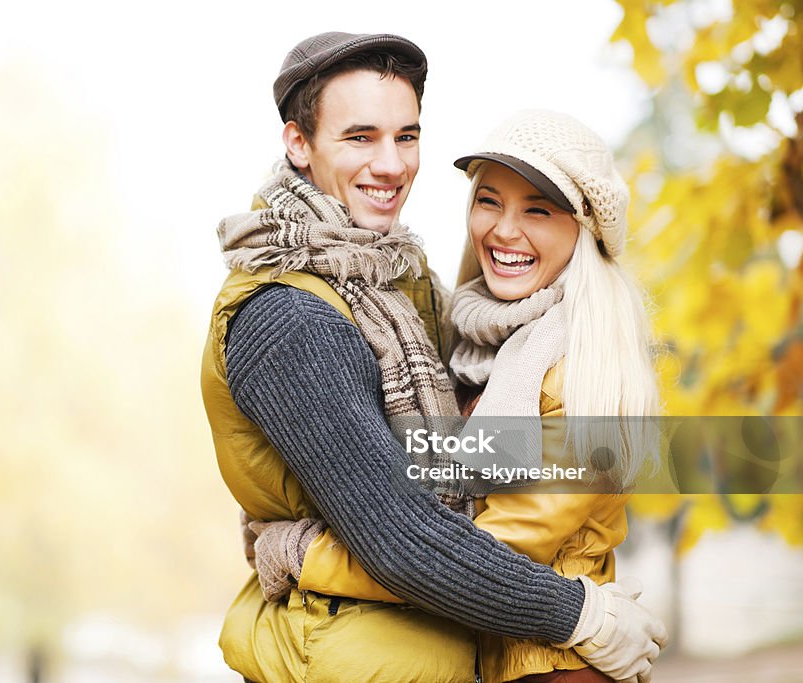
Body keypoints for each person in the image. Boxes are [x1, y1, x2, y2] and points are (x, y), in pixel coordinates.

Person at [201, 32, 666, 683]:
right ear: (298, 143)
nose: (391, 164)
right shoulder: (296, 317)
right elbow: (405, 541)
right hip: (356, 656)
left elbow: (461, 536)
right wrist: (577, 610)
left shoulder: (419, 295)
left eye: (407, 136)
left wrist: (302, 551)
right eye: (360, 137)